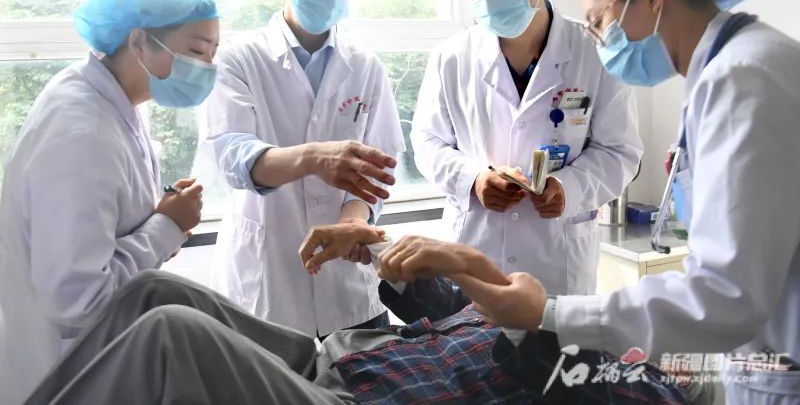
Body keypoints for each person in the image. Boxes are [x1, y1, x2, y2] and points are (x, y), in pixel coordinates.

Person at [456, 0, 800, 405]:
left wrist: (549, 314)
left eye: (599, 22)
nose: (598, 42)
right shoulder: (740, 66)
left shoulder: (742, 78)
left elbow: (725, 297)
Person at [23, 229, 687, 404]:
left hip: (363, 402)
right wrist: (377, 248)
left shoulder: (635, 381)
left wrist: (480, 271)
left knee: (174, 337)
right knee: (155, 291)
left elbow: (548, 363)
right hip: (333, 360)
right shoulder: (564, 316)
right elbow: (445, 306)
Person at [0, 0, 219, 405]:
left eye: (214, 53)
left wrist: (163, 219)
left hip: (98, 357)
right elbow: (78, 299)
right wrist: (165, 226)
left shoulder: (110, 99)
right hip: (65, 372)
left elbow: (106, 226)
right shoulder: (81, 132)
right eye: (196, 52)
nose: (208, 68)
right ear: (139, 42)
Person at [411, 0, 643, 296]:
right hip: (475, 251)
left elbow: (620, 150)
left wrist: (569, 188)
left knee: (553, 335)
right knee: (470, 333)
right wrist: (472, 179)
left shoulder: (594, 51)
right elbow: (427, 142)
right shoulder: (451, 58)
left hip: (557, 261)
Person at [205, 0, 404, 338]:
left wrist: (352, 224)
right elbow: (233, 156)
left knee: (363, 376)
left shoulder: (366, 67)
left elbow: (379, 170)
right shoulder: (238, 59)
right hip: (266, 281)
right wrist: (313, 158)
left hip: (349, 287)